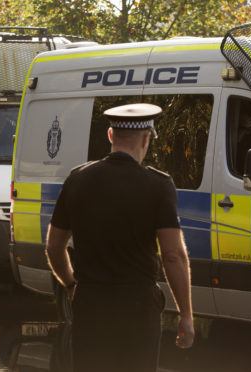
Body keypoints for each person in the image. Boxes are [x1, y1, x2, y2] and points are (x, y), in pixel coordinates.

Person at [45, 103, 194, 372]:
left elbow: (54, 247)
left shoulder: (77, 180)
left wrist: (70, 284)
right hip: (138, 308)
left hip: (91, 305)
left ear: (111, 136)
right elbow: (173, 255)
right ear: (147, 138)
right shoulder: (158, 185)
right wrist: (186, 315)